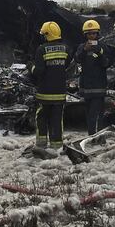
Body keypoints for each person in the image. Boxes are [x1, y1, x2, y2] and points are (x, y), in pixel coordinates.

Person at [31, 21, 71, 149]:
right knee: (57, 119)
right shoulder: (65, 48)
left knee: (41, 117)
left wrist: (30, 67)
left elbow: (39, 71)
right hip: (60, 92)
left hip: (45, 93)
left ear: (47, 34)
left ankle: (41, 144)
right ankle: (57, 145)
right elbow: (67, 66)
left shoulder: (41, 49)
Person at [75, 20, 109, 135]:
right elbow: (77, 59)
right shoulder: (81, 47)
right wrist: (85, 50)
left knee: (97, 115)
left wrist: (99, 52)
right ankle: (92, 136)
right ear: (85, 35)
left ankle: (98, 136)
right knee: (89, 115)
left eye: (94, 33)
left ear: (97, 34)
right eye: (89, 34)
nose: (91, 36)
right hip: (86, 88)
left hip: (99, 88)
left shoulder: (102, 46)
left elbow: (106, 64)